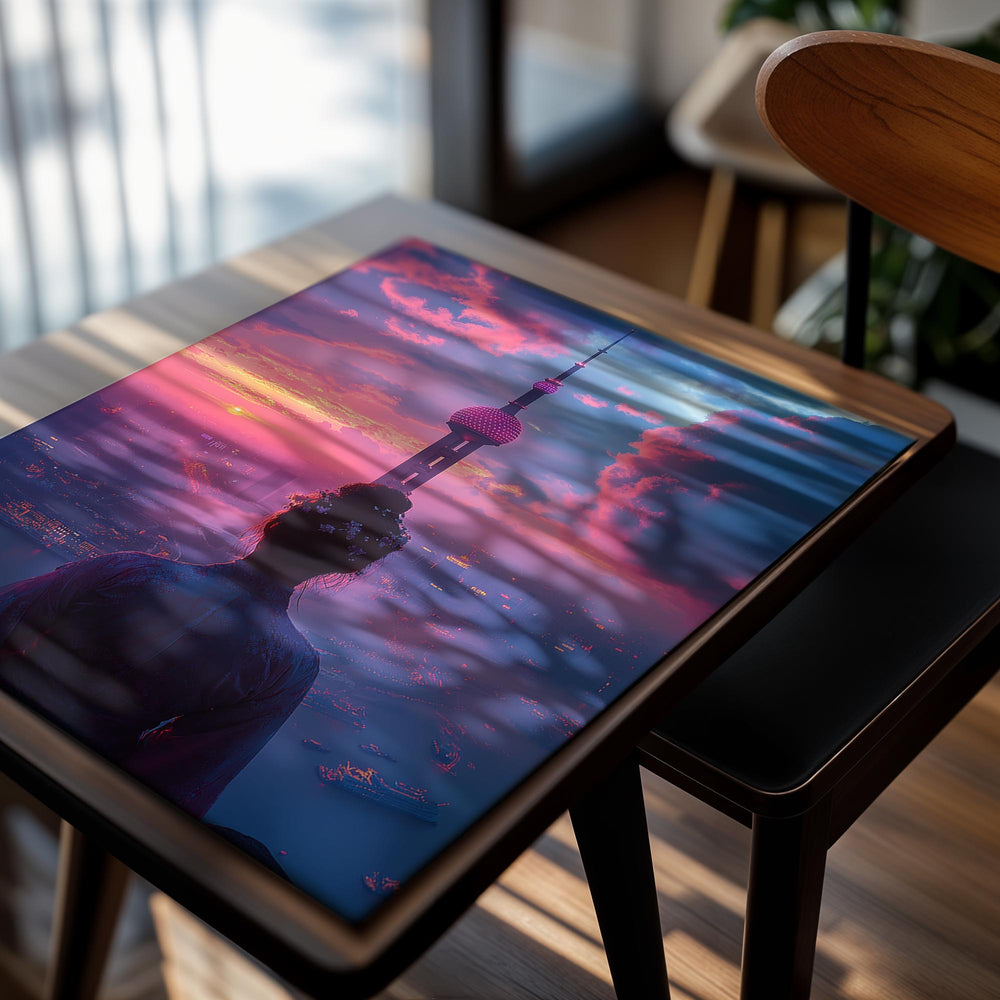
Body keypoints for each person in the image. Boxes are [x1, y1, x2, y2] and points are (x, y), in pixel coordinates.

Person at [0, 483, 411, 817]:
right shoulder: (289, 665)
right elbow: (185, 773)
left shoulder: (130, 569)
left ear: (276, 524)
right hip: (70, 774)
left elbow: (8, 613)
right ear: (346, 568)